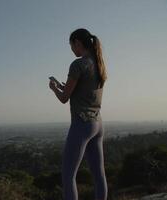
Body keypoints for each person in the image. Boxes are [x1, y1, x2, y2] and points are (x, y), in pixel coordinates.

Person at [49, 28, 108, 200]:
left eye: (71, 45)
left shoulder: (78, 64)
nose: (72, 50)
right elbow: (81, 92)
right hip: (97, 124)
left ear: (77, 42)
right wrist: (62, 85)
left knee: (68, 176)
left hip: (82, 125)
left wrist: (54, 89)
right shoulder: (98, 64)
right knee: (99, 175)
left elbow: (64, 98)